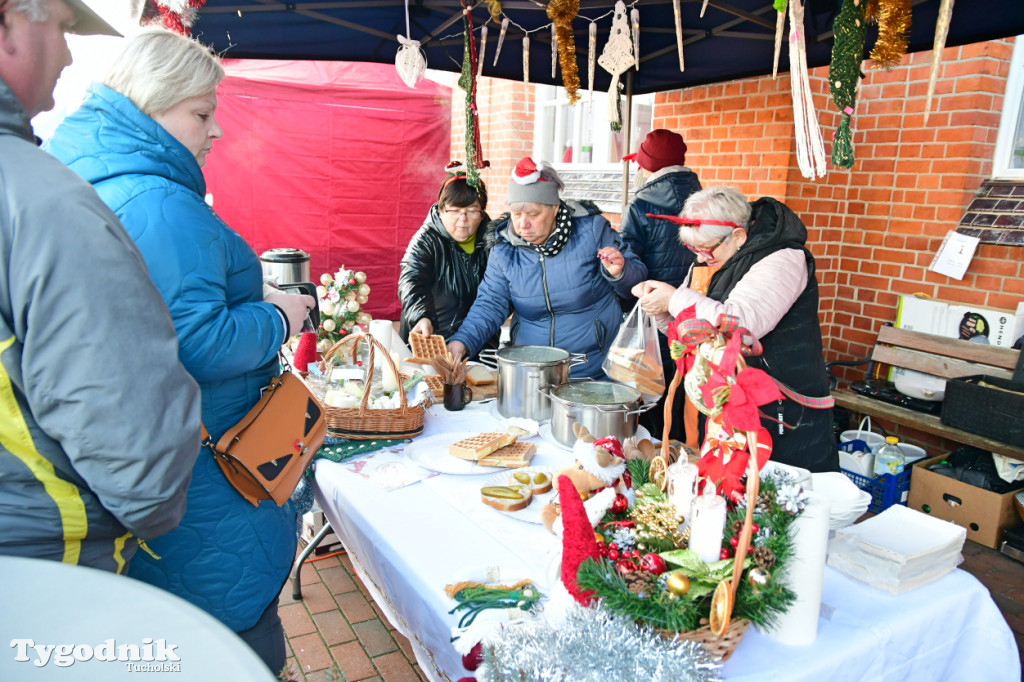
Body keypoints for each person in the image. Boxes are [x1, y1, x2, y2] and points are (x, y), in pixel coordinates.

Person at [46, 29, 314, 674]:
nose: (215, 131)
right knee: (232, 631)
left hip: (161, 457)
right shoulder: (160, 202)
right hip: (209, 468)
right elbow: (197, 341)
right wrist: (280, 314)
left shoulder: (103, 184)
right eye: (201, 112)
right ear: (150, 105)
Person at [0, 0, 201, 572]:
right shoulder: (44, 201)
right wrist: (275, 318)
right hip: (51, 562)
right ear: (11, 18)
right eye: (63, 26)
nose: (67, 54)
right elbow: (144, 464)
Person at [634, 186, 838, 473]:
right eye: (693, 249)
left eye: (706, 249)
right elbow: (695, 335)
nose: (700, 257)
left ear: (739, 236)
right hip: (722, 411)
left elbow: (740, 325)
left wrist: (674, 298)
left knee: (774, 502)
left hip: (780, 415)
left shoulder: (784, 259)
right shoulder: (715, 256)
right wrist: (663, 312)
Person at [447, 157, 647, 379]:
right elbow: (490, 303)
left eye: (533, 214)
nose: (523, 223)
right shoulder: (504, 251)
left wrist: (620, 272)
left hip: (594, 369)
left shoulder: (592, 232)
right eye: (516, 214)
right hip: (531, 372)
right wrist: (462, 341)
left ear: (554, 207)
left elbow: (638, 280)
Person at [620, 129, 702, 442]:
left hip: (653, 319)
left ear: (648, 167)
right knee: (688, 401)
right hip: (698, 318)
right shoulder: (704, 201)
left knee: (650, 411)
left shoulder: (640, 206)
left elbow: (629, 270)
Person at [398, 167, 498, 354]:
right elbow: (411, 278)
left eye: (471, 211)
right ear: (441, 209)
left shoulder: (493, 242)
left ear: (482, 213)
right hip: (433, 343)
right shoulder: (426, 239)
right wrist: (421, 316)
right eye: (455, 211)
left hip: (479, 344)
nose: (463, 220)